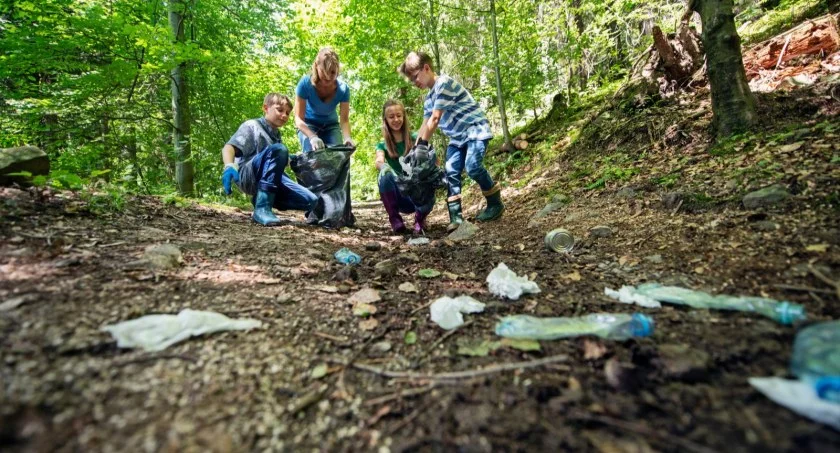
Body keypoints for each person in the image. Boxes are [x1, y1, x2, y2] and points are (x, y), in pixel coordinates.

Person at [398, 51, 504, 232]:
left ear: (426, 68)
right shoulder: (429, 98)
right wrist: (416, 150)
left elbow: (435, 118)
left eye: (416, 77)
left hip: (474, 130)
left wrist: (424, 145)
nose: (415, 82)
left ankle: (495, 204)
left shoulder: (444, 84)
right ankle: (456, 217)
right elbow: (425, 124)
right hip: (457, 138)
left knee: (473, 167)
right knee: (451, 172)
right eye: (411, 80)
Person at [221, 93, 318, 226]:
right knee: (279, 149)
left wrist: (290, 159)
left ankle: (260, 199)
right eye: (280, 110)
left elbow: (274, 161)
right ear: (266, 108)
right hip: (248, 175)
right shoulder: (252, 126)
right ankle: (262, 209)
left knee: (310, 201)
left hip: (268, 179)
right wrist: (229, 166)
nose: (284, 115)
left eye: (288, 113)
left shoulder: (276, 135)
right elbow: (229, 147)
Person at [375, 99, 435, 234]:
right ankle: (395, 220)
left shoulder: (416, 137)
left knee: (430, 176)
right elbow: (379, 160)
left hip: (418, 194)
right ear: (385, 120)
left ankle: (420, 219)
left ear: (404, 117)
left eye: (399, 115)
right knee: (384, 176)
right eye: (391, 117)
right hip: (400, 195)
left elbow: (432, 160)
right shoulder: (382, 144)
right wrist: (384, 167)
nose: (396, 119)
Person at [294, 47, 354, 152]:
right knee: (312, 156)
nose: (328, 76)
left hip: (331, 126)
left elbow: (344, 120)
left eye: (332, 72)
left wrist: (347, 137)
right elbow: (298, 119)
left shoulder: (343, 89)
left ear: (338, 70)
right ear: (316, 66)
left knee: (338, 155)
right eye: (323, 71)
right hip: (308, 125)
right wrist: (312, 137)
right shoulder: (305, 84)